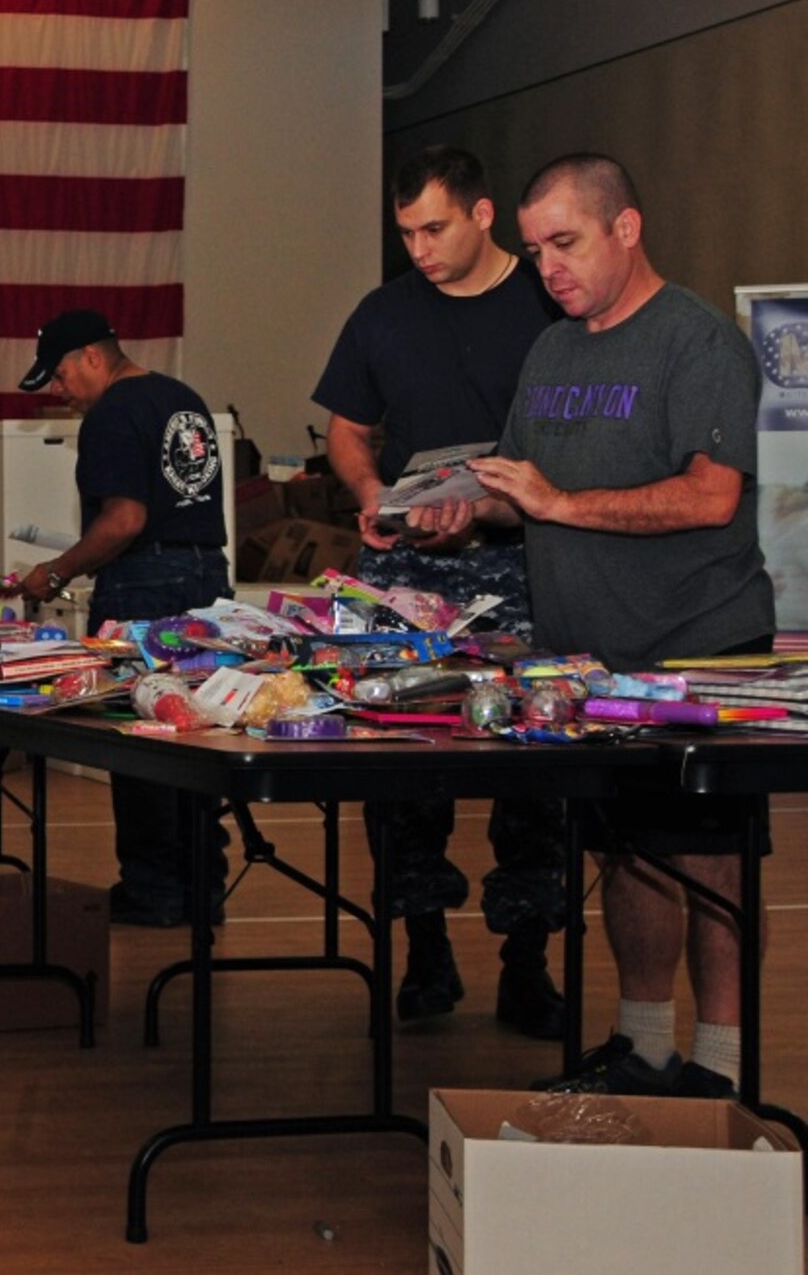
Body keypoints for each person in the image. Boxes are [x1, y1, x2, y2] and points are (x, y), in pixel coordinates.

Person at [421, 153, 775, 1098]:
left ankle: (722, 1065)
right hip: (589, 662)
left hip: (698, 652)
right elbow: (528, 492)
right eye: (535, 250)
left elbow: (710, 498)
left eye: (565, 244)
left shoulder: (698, 343)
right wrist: (472, 506)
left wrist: (558, 503)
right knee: (627, 857)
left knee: (707, 861)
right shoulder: (554, 347)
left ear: (627, 228)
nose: (549, 268)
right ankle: (645, 1044)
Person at [310, 146, 568, 1039]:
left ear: (483, 215)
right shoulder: (383, 312)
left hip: (525, 563)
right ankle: (424, 949)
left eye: (435, 228)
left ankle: (529, 962)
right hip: (406, 572)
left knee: (536, 764)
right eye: (407, 232)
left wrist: (492, 504)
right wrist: (370, 492)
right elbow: (348, 430)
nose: (419, 248)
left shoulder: (549, 301)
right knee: (397, 764)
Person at [16, 310, 233, 926]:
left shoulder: (112, 412)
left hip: (143, 585)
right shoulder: (182, 400)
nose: (61, 391)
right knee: (197, 734)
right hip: (206, 578)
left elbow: (126, 520)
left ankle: (155, 891)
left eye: (60, 375)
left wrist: (56, 572)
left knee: (139, 738)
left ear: (92, 356)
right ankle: (202, 884)